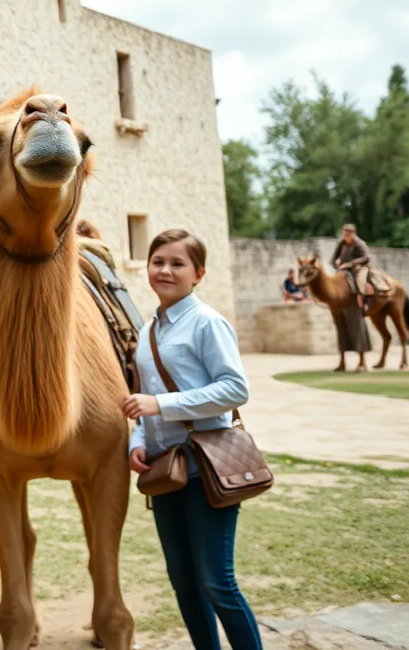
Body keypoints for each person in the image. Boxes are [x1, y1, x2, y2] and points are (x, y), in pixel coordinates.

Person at [123, 229, 261, 650]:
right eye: (158, 261)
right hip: (166, 471)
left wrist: (161, 405)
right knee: (183, 582)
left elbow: (235, 389)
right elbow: (142, 403)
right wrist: (136, 442)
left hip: (208, 469)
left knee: (216, 582)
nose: (165, 270)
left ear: (198, 274)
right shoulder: (147, 331)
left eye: (177, 263)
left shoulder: (207, 322)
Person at [332, 223, 372, 313]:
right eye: (344, 234)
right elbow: (333, 258)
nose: (345, 236)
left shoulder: (360, 243)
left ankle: (365, 305)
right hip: (343, 269)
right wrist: (336, 265)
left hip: (359, 268)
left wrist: (350, 264)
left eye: (347, 234)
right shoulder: (341, 243)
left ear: (353, 234)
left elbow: (367, 257)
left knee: (360, 283)